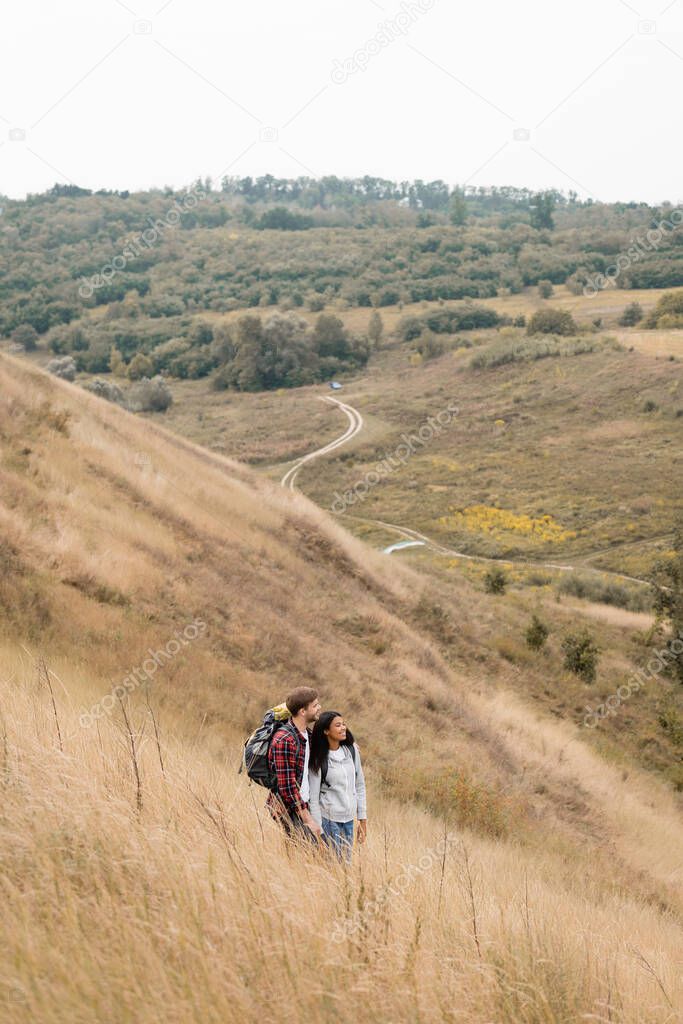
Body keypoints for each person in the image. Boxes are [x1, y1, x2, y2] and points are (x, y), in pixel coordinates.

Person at [308, 711, 367, 861]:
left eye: (344, 724)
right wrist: (319, 833)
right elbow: (313, 799)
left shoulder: (352, 751)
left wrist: (362, 819)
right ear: (326, 731)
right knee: (332, 865)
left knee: (346, 865)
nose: (343, 728)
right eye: (338, 725)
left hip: (348, 820)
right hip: (329, 820)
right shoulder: (318, 759)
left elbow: (359, 785)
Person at [266, 687, 322, 843]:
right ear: (303, 711)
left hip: (303, 804)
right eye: (315, 705)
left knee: (306, 855)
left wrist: (349, 744)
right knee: (306, 853)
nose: (319, 708)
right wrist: (307, 818)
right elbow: (287, 787)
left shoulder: (307, 735)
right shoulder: (285, 739)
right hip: (289, 808)